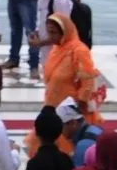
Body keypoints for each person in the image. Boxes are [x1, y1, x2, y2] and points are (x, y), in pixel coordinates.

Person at [37, 11, 103, 139]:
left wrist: (79, 106)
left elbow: (88, 81)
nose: (50, 37)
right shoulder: (57, 48)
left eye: (54, 33)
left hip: (70, 113)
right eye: (49, 32)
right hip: (53, 106)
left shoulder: (79, 51)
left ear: (64, 32)